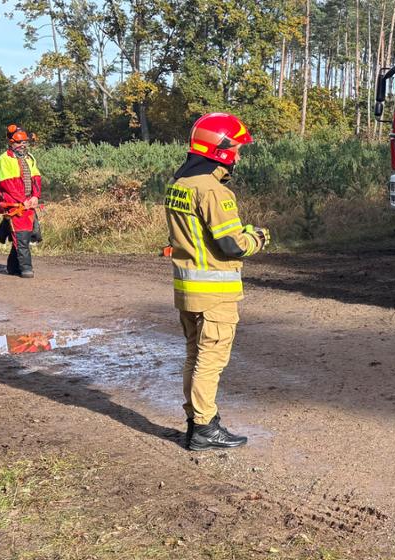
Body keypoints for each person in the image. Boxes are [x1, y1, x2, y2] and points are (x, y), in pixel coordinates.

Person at [165, 113, 270, 451]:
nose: (238, 156)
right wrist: (258, 238)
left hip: (188, 291)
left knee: (195, 357)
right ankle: (204, 428)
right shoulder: (214, 191)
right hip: (215, 294)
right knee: (210, 361)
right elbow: (231, 244)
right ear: (220, 150)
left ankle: (197, 421)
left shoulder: (178, 185)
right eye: (236, 148)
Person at [0, 127, 42, 278]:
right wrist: (24, 201)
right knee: (21, 236)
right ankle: (26, 269)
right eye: (19, 142)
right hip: (13, 205)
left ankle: (12, 267)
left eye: (24, 142)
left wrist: (35, 197)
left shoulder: (29, 158)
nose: (22, 145)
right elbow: (8, 185)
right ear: (11, 143)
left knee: (29, 235)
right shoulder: (4, 160)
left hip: (28, 204)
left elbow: (36, 179)